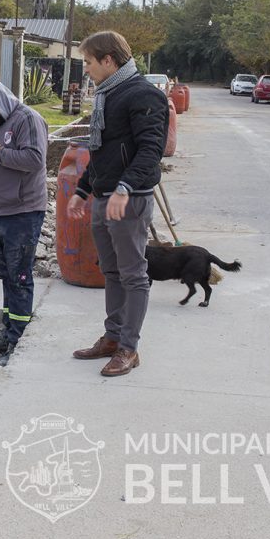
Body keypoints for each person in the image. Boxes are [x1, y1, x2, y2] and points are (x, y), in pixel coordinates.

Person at [67, 30, 168, 377]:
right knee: (110, 272)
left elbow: (150, 150)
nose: (87, 69)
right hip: (103, 197)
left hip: (129, 199)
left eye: (89, 62)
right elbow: (102, 151)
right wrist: (82, 190)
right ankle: (112, 338)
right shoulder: (107, 94)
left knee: (133, 275)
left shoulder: (143, 96)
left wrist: (124, 188)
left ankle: (129, 347)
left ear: (109, 60)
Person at [0, 78, 49, 367]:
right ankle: (8, 328)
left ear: (0, 99)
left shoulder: (28, 119)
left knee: (19, 275)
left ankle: (18, 336)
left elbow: (35, 159)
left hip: (23, 211)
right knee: (5, 273)